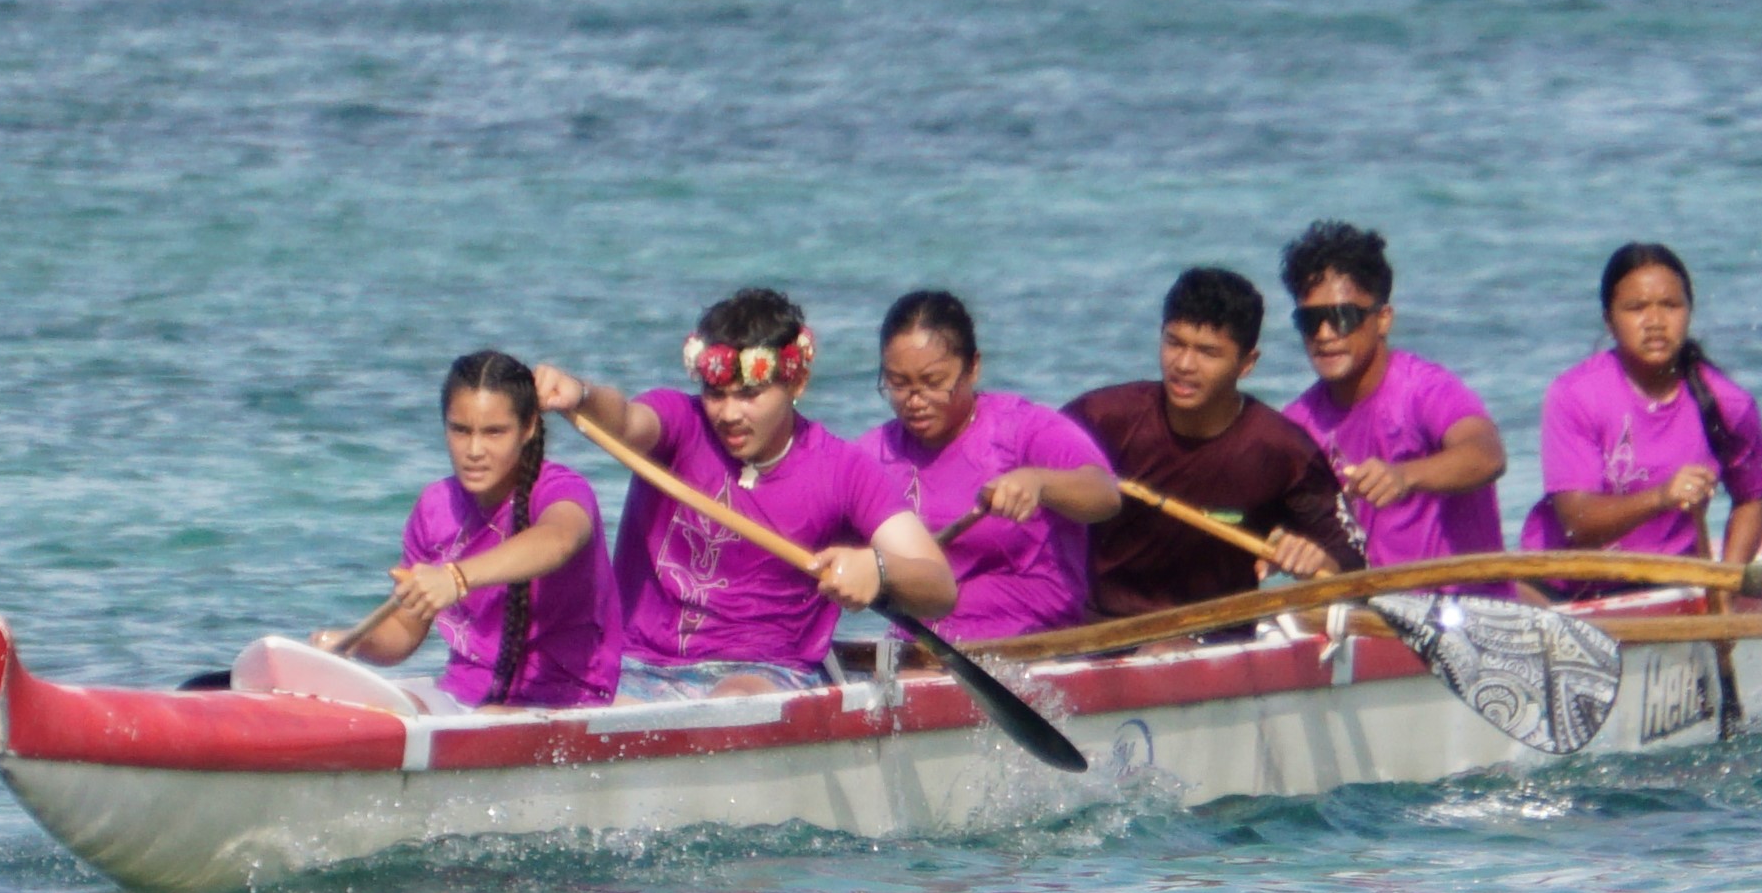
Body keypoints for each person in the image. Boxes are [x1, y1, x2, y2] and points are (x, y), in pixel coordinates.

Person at [536, 287, 957, 698]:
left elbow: (938, 585)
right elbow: (626, 420)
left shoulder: (843, 471)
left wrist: (878, 569)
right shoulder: (680, 422)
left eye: (750, 395)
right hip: (638, 665)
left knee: (734, 699)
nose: (730, 414)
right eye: (716, 394)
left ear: (798, 382)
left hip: (765, 673)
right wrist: (583, 396)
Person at [318, 350, 621, 709]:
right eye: (460, 430)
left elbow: (558, 540)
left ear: (527, 429)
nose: (474, 450)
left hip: (566, 698)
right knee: (353, 703)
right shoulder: (434, 506)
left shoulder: (562, 491)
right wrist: (356, 643)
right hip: (464, 694)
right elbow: (403, 631)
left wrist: (455, 578)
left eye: (494, 432)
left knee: (486, 714)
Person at [1067, 267, 1361, 619]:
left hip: (1219, 636)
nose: (1184, 365)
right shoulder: (1101, 418)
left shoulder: (1284, 452)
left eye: (1208, 352)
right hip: (1097, 628)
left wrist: (1316, 560)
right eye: (1174, 343)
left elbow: (1352, 567)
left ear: (1247, 363)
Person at [863, 289, 1121, 641]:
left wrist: (1039, 483)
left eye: (933, 382)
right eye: (898, 384)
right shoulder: (873, 454)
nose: (916, 400)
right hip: (923, 646)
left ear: (973, 367)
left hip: (1033, 640)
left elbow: (1105, 495)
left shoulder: (1023, 429)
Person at [1520, 242, 1762, 581]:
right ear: (1609, 320)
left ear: (1689, 312)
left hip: (1668, 584)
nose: (1655, 321)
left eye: (1670, 305)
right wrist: (1661, 497)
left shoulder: (1730, 404)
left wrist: (1730, 578)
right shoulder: (1574, 395)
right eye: (1636, 308)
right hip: (1562, 583)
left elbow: (1751, 498)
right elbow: (1577, 524)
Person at [1275, 220, 1508, 569]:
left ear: (1383, 319)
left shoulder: (1425, 391)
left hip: (1464, 608)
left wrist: (1404, 477)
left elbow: (1488, 455)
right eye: (1310, 321)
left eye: (1342, 317)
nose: (1324, 334)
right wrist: (1289, 546)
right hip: (1368, 613)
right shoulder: (1295, 425)